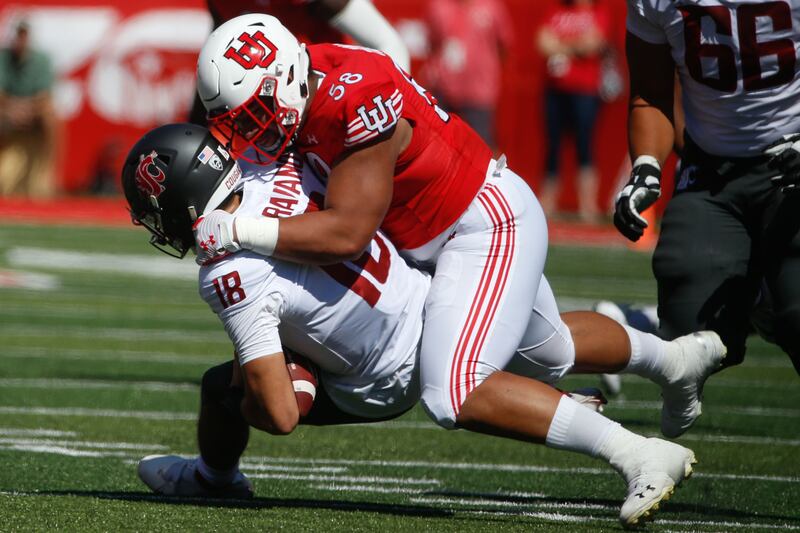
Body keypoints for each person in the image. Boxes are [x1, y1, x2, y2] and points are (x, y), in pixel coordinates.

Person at [122, 123, 724, 527]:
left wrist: (277, 375)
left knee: (224, 393)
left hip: (382, 377)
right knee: (550, 344)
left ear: (184, 207)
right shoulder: (272, 167)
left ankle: (215, 478)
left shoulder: (228, 272)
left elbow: (279, 416)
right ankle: (670, 359)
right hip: (424, 288)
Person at [193, 14, 724, 445]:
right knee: (551, 349)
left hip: (479, 224)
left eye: (256, 111)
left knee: (454, 390)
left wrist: (241, 230)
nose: (250, 129)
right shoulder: (314, 72)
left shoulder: (351, 96)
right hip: (439, 238)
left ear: (283, 77)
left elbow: (348, 234)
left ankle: (636, 454)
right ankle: (675, 360)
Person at [613, 0, 800, 374]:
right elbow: (650, 93)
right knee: (687, 340)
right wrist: (647, 165)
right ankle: (758, 299)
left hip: (794, 164)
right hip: (713, 172)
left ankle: (767, 296)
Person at [189, 0, 410, 125]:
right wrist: (198, 127)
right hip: (267, 118)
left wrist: (393, 117)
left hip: (323, 107)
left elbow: (387, 43)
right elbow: (219, 57)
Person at [536, 0, 610, 222]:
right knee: (552, 146)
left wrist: (560, 45)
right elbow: (541, 42)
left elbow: (594, 43)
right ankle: (547, 203)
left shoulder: (598, 11)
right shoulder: (556, 9)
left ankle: (587, 205)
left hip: (585, 89)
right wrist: (574, 46)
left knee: (584, 146)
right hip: (555, 89)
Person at [424, 0, 513, 149]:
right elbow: (433, 43)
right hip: (443, 87)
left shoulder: (492, 6)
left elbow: (504, 45)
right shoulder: (438, 5)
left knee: (482, 145)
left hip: (480, 91)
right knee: (438, 144)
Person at [0, 20, 58, 198]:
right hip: (8, 112)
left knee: (50, 116)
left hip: (31, 112)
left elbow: (44, 97)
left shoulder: (41, 60)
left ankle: (49, 169)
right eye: (18, 34)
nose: (21, 39)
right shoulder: (3, 57)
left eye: (24, 34)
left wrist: (24, 109)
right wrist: (13, 109)